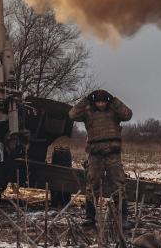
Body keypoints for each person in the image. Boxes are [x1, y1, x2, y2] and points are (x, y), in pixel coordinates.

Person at [69, 89, 133, 227]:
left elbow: (128, 115)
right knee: (92, 185)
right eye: (98, 102)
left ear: (107, 101)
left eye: (104, 102)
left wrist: (115, 100)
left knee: (118, 184)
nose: (101, 105)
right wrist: (86, 100)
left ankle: (123, 219)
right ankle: (90, 218)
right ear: (94, 102)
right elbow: (72, 114)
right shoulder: (88, 112)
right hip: (95, 154)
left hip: (113, 154)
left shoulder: (114, 111)